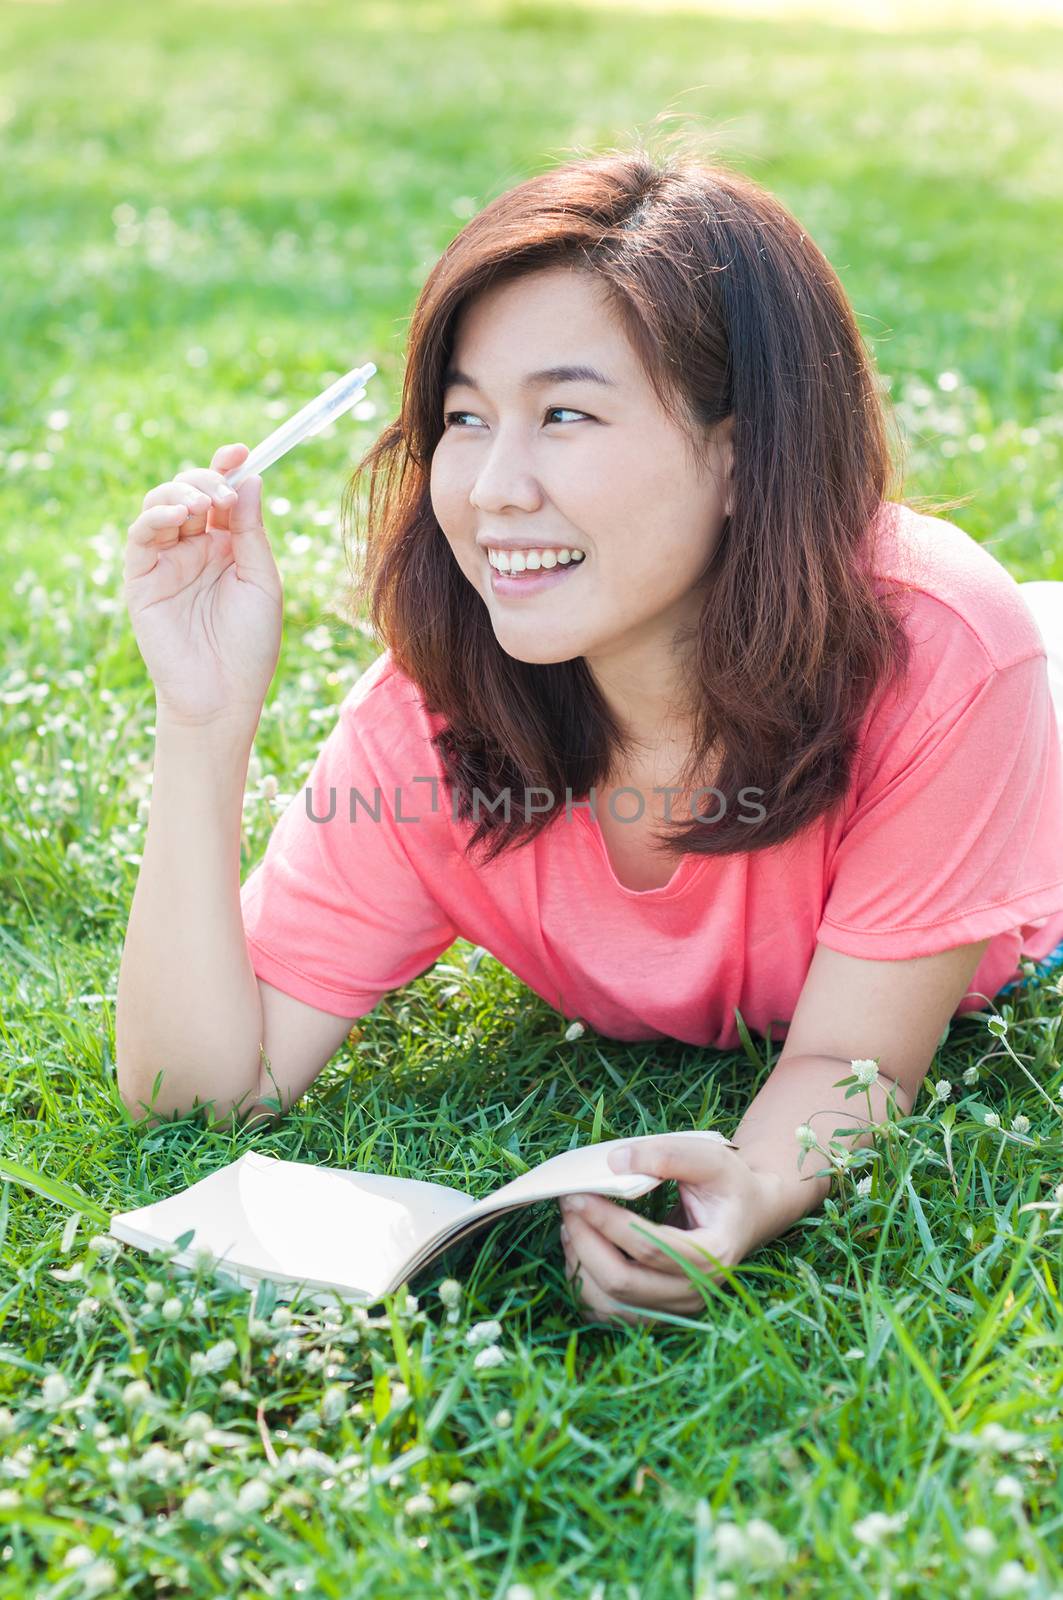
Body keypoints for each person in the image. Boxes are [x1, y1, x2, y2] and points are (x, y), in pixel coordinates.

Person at [116, 142, 1063, 1327]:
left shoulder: (945, 663)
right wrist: (202, 720)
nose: (493, 486)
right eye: (465, 417)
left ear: (739, 449)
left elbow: (846, 1060)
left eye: (564, 411)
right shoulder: (432, 711)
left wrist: (752, 1192)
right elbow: (192, 1095)